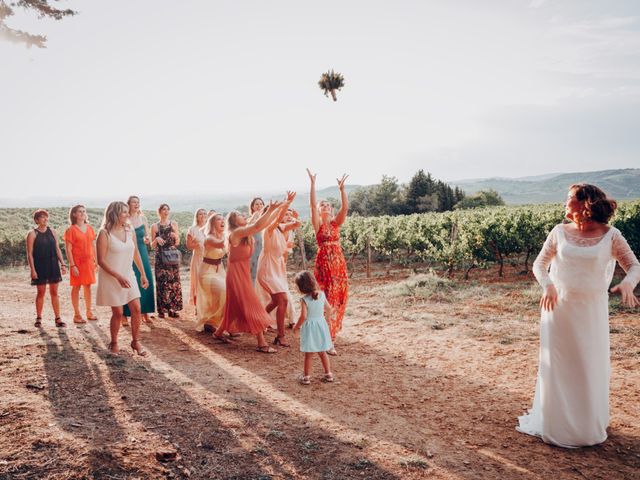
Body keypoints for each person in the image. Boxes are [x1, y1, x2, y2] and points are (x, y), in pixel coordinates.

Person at [517, 184, 640, 448]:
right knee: (559, 366)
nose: (565, 202)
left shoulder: (612, 235)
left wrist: (629, 283)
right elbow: (539, 264)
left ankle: (584, 427)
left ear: (586, 203)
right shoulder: (559, 232)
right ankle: (556, 425)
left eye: (570, 198)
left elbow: (633, 265)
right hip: (558, 309)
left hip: (591, 312)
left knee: (587, 366)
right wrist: (548, 285)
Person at [213, 195, 292, 352]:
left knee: (233, 305)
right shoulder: (236, 234)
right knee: (251, 305)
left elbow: (262, 224)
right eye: (240, 216)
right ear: (235, 222)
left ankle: (218, 332)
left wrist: (278, 208)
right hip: (236, 275)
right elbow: (257, 226)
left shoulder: (244, 232)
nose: (244, 216)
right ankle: (261, 343)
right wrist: (272, 209)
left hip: (242, 273)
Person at [96, 201, 149, 356]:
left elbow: (135, 253)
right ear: (114, 214)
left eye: (127, 211)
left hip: (128, 274)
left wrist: (143, 274)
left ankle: (135, 341)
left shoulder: (129, 229)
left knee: (137, 309)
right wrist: (118, 276)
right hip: (111, 276)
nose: (127, 215)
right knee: (118, 313)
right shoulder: (104, 233)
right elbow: (101, 261)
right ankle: (113, 342)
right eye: (124, 212)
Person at [306, 169, 349, 355]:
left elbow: (345, 208)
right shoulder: (318, 224)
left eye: (328, 205)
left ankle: (331, 338)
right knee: (325, 300)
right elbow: (311, 204)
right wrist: (313, 184)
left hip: (338, 264)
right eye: (322, 205)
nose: (326, 206)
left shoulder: (335, 224)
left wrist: (342, 190)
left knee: (337, 300)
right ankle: (326, 339)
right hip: (324, 265)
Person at [257, 202, 301, 346]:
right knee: (282, 299)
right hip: (267, 267)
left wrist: (294, 217)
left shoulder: (280, 228)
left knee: (278, 301)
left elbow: (297, 224)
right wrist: (286, 202)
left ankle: (259, 321)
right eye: (276, 213)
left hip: (277, 267)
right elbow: (276, 220)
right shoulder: (268, 229)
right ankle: (280, 336)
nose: (279, 216)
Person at [26, 209, 67, 327]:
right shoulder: (32, 234)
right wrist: (32, 270)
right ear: (37, 220)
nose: (45, 219)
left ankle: (58, 318)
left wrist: (63, 264)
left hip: (53, 264)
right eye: (42, 217)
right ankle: (38, 318)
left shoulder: (52, 231)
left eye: (46, 217)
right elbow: (29, 254)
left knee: (54, 292)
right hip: (39, 266)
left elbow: (57, 249)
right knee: (41, 292)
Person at [293, 271, 335, 385]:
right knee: (322, 352)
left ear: (301, 287)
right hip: (320, 325)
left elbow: (303, 316)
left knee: (309, 354)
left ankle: (306, 377)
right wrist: (325, 319)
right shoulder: (321, 295)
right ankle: (328, 374)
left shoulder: (304, 299)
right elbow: (329, 308)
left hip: (310, 328)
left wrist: (296, 327)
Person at [123, 196, 155, 325]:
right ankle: (124, 314)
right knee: (129, 281)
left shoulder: (143, 218)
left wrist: (147, 239)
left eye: (138, 202)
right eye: (134, 202)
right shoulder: (125, 219)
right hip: (129, 253)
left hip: (142, 251)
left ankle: (145, 312)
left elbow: (146, 235)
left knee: (146, 278)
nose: (136, 204)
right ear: (129, 204)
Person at [63, 205, 97, 324]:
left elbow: (93, 246)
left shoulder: (89, 228)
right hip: (77, 263)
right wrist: (72, 265)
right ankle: (77, 314)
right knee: (76, 287)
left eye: (84, 211)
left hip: (88, 262)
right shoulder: (71, 230)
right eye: (79, 211)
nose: (82, 213)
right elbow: (68, 249)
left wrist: (96, 261)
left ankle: (89, 312)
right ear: (74, 214)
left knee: (88, 286)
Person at [151, 204, 183, 318]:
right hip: (160, 258)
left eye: (167, 209)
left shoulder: (174, 224)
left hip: (172, 257)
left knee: (173, 283)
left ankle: (172, 309)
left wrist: (175, 235)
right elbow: (151, 245)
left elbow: (178, 242)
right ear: (159, 211)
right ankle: (161, 310)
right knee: (161, 283)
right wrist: (156, 239)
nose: (166, 211)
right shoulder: (155, 226)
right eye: (163, 209)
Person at [196, 214, 227, 333]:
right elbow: (221, 244)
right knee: (223, 291)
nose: (222, 221)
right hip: (206, 271)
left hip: (220, 269)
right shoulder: (209, 238)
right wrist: (235, 233)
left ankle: (212, 323)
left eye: (223, 219)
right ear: (213, 223)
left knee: (221, 295)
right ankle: (212, 322)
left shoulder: (224, 235)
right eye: (219, 219)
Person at [187, 208, 207, 309]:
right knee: (197, 282)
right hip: (197, 258)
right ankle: (198, 307)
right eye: (200, 214)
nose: (203, 215)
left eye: (204, 214)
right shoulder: (192, 229)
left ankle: (207, 305)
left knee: (208, 282)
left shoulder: (210, 228)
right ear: (197, 216)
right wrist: (197, 244)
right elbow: (189, 245)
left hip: (209, 259)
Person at [248, 197, 265, 284]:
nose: (259, 206)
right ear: (252, 207)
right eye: (257, 204)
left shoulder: (266, 218)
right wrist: (255, 216)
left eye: (261, 204)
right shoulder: (250, 220)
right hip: (254, 249)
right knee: (253, 272)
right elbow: (247, 229)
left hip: (264, 247)